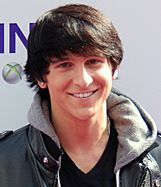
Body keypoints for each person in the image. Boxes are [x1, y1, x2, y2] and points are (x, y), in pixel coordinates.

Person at [0, 3, 161, 187]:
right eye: (65, 65)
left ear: (114, 68)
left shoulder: (156, 159)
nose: (83, 80)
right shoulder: (5, 161)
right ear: (41, 77)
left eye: (93, 62)